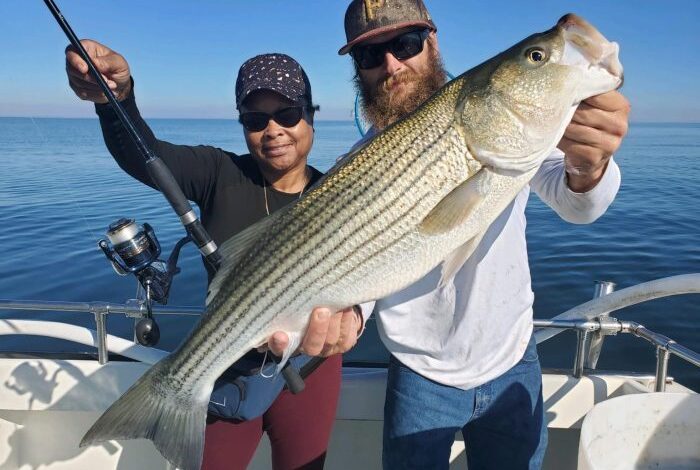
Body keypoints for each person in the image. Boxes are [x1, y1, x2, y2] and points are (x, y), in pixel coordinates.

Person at [272, 1, 631, 469]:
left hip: (512, 357)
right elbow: (361, 261)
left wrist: (589, 162)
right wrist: (351, 317)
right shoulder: (351, 171)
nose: (391, 65)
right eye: (369, 55)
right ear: (356, 69)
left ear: (433, 42)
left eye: (405, 44)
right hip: (417, 374)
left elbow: (578, 203)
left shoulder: (503, 122)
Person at [65, 42, 361, 470]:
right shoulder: (220, 173)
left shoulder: (337, 193)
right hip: (227, 363)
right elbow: (143, 155)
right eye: (255, 119)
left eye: (288, 114)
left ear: (311, 116)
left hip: (309, 366)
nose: (273, 130)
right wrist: (116, 100)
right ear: (243, 126)